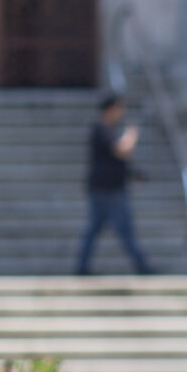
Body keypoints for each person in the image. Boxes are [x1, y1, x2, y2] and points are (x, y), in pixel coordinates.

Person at [76, 93, 155, 275]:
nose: (121, 112)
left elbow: (116, 161)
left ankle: (82, 266)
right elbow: (121, 151)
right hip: (106, 190)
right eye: (119, 108)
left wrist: (134, 174)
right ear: (110, 110)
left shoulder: (108, 130)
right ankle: (142, 266)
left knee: (98, 230)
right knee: (122, 230)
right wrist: (131, 135)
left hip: (109, 188)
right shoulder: (101, 130)